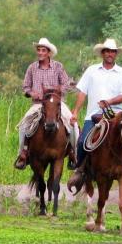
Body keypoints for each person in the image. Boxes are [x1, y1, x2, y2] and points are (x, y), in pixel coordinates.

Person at [67, 38, 122, 190]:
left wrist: (109, 101)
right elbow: (82, 93)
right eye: (107, 51)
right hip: (93, 115)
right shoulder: (92, 70)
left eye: (113, 51)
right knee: (82, 141)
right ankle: (79, 170)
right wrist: (75, 112)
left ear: (116, 54)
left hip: (117, 115)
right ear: (102, 53)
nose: (110, 54)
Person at [14, 38, 77, 170]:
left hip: (57, 103)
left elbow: (66, 83)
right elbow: (25, 87)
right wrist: (32, 93)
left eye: (43, 50)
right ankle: (23, 154)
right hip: (38, 103)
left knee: (73, 124)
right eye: (39, 50)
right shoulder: (32, 68)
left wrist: (58, 91)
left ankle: (73, 153)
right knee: (24, 126)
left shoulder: (58, 66)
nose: (40, 52)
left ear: (49, 53)